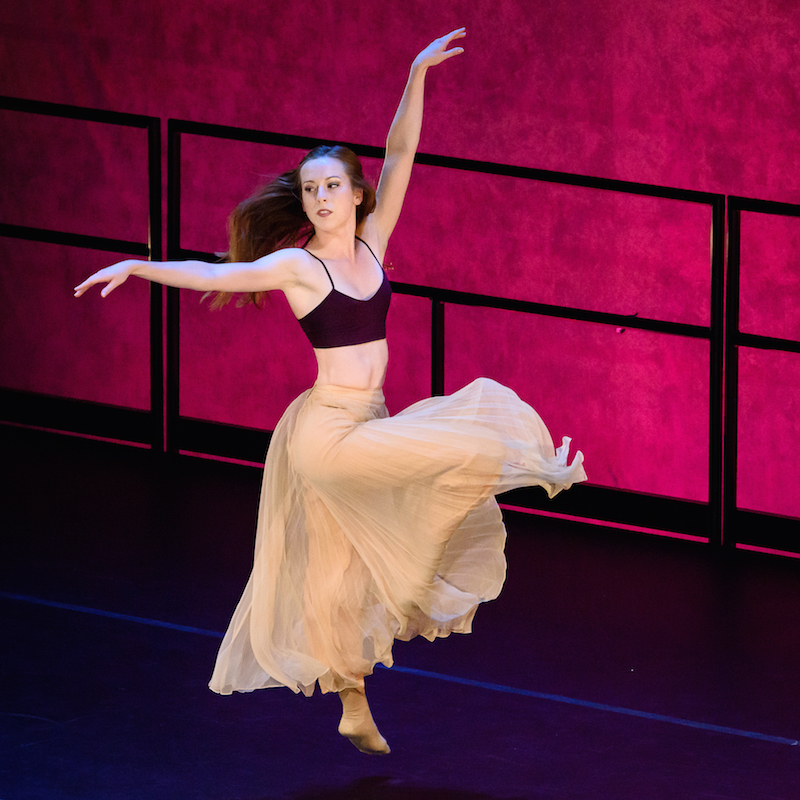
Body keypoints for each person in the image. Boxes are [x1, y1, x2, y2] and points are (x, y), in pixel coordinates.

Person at [74, 28, 586, 755]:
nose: (319, 198)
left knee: (340, 572)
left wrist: (415, 77)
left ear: (353, 194)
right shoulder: (294, 265)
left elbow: (401, 152)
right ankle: (543, 470)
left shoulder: (375, 240)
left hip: (371, 421)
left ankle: (352, 702)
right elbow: (217, 275)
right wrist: (139, 266)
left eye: (331, 187)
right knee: (467, 438)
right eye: (310, 189)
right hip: (328, 435)